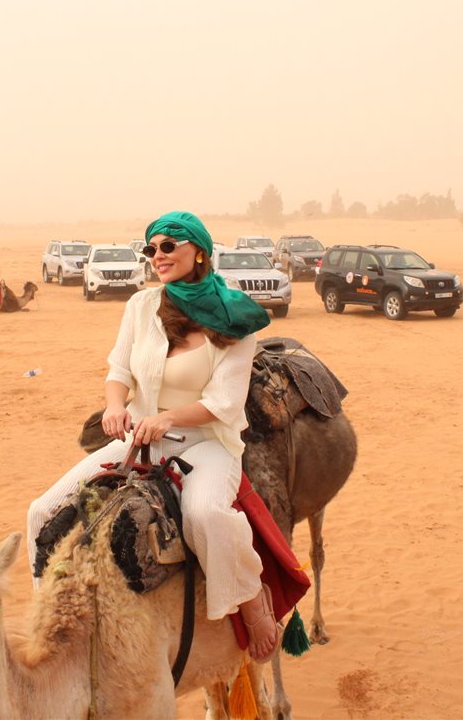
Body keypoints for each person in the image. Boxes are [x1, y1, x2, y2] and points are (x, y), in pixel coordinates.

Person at [27, 210, 281, 662]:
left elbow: (224, 402)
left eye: (168, 246)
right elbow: (119, 369)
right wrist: (114, 405)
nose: (157, 256)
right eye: (151, 248)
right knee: (42, 510)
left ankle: (251, 598)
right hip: (139, 440)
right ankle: (51, 614)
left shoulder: (235, 321)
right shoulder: (141, 307)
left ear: (198, 251)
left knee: (205, 515)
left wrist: (169, 419)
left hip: (205, 445)